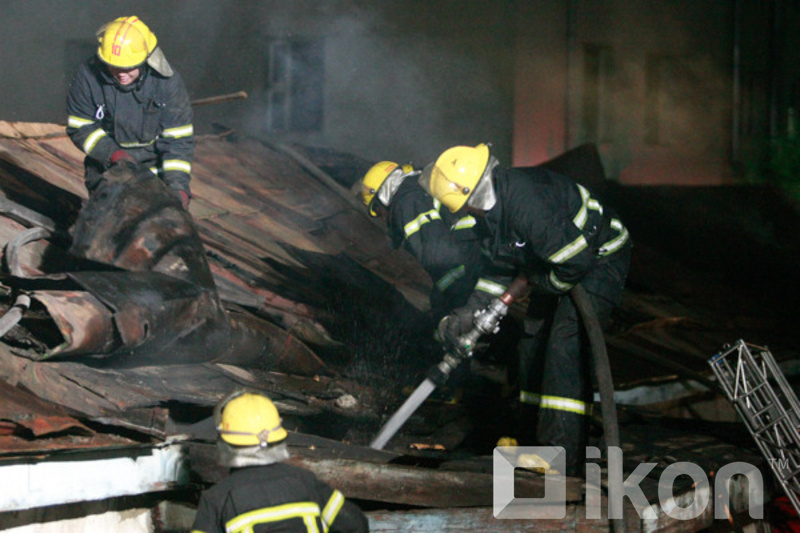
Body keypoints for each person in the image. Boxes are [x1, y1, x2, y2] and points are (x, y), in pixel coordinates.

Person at [420, 143, 632, 476]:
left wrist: (539, 284)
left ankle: (562, 454)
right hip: (555, 263)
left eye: (461, 207)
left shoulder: (525, 204)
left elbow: (576, 261)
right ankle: (534, 442)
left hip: (598, 258)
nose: (462, 215)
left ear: (472, 194)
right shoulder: (491, 216)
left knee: (565, 345)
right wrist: (470, 312)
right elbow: (499, 271)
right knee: (531, 345)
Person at [191, 390, 369, 533]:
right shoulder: (306, 481)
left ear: (224, 442)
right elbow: (356, 524)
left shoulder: (217, 499)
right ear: (278, 437)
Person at [66, 16, 194, 210]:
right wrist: (115, 155)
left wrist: (178, 188)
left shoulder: (167, 83)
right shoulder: (87, 77)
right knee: (111, 216)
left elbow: (178, 140)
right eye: (114, 66)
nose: (121, 73)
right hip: (108, 169)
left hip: (155, 173)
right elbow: (80, 127)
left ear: (145, 59)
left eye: (128, 67)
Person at [358, 161, 502, 321]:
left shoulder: (407, 202)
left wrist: (442, 304)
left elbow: (439, 257)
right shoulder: (419, 187)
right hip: (484, 252)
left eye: (377, 211)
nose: (382, 218)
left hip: (469, 268)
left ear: (382, 198)